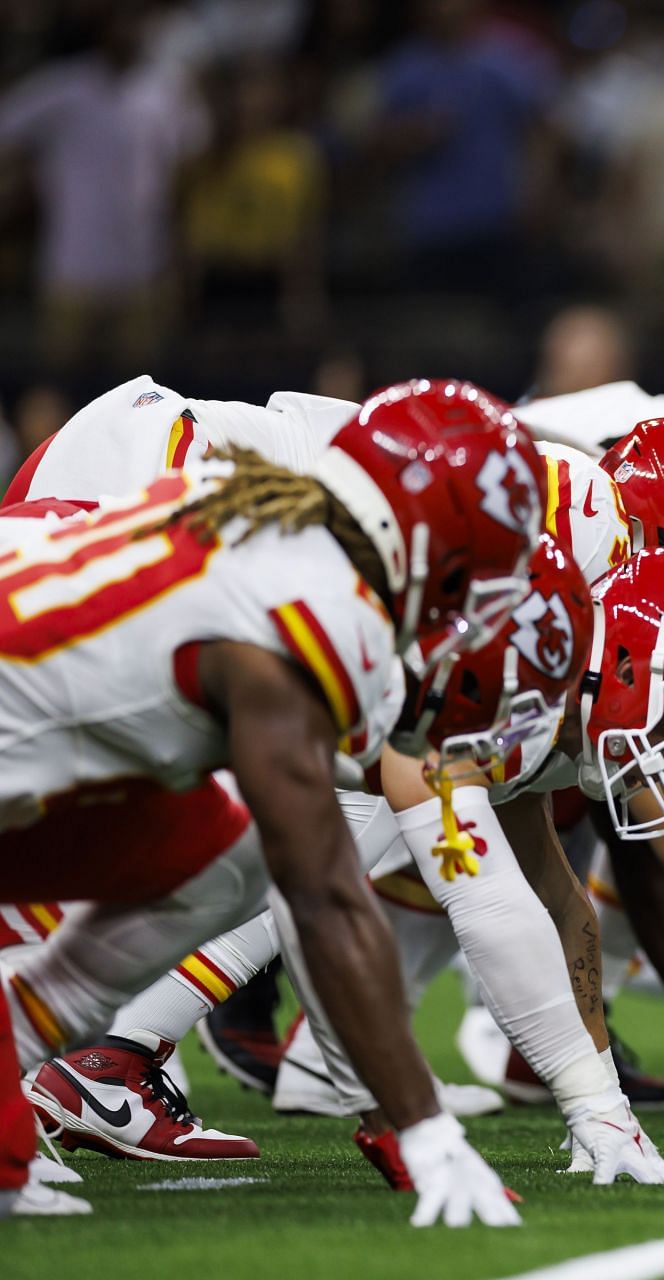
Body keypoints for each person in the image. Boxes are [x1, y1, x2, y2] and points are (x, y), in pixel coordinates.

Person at [0, 379, 542, 1224]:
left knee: (224, 856)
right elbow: (324, 900)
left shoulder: (252, 509)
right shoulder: (312, 607)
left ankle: (20, 1043)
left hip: (32, 741)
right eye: (474, 565)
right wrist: (423, 1131)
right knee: (270, 861)